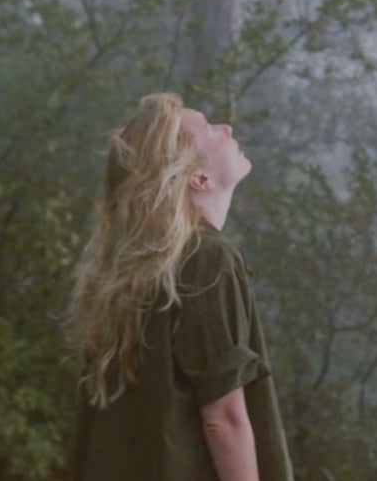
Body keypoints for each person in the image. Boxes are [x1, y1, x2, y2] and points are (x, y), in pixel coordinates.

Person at [64, 92, 293, 481]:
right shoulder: (208, 258)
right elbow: (223, 419)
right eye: (209, 129)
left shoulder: (130, 271)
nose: (227, 128)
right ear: (198, 178)